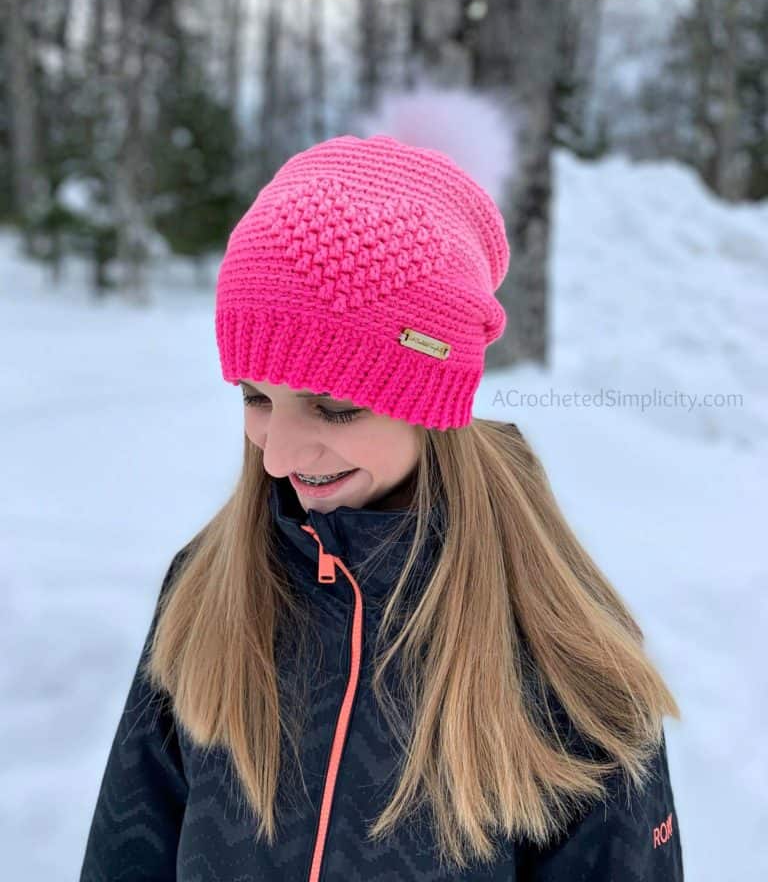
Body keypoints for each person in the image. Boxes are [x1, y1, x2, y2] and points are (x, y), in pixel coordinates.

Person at [79, 133, 685, 881]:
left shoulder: (561, 643)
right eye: (256, 397)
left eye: (333, 408)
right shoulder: (208, 590)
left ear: (431, 403)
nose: (278, 457)